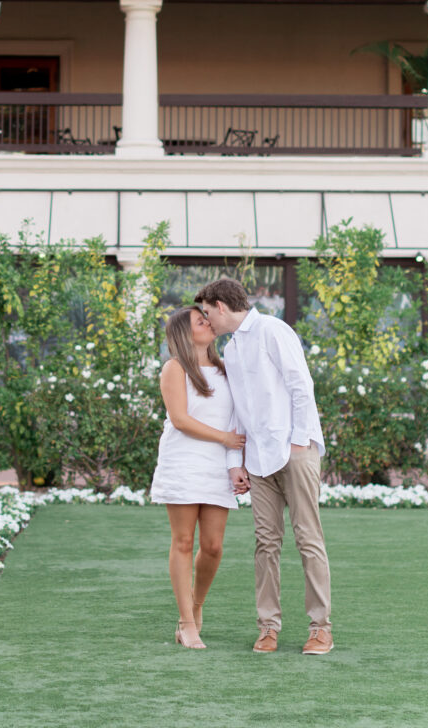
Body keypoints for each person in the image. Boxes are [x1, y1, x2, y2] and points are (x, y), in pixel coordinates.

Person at [194, 278, 333, 656]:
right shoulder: (233, 348)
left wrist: (299, 441)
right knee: (265, 545)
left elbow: (301, 385)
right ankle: (268, 628)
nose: (207, 321)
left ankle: (320, 629)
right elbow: (237, 410)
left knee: (308, 538)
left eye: (207, 313)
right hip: (257, 460)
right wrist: (234, 463)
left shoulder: (274, 330)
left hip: (295, 451)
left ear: (221, 306)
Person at [150, 306, 246, 650]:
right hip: (183, 461)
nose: (207, 322)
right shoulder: (175, 369)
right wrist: (224, 439)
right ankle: (186, 623)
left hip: (218, 466)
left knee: (214, 546)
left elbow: (238, 419)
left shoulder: (227, 370)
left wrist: (237, 459)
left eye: (206, 318)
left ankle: (196, 604)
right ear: (184, 332)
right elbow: (179, 419)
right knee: (183, 542)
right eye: (199, 320)